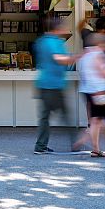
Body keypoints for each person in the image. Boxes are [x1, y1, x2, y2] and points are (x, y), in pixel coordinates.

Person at [73, 33, 105, 157]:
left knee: (96, 120)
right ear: (101, 44)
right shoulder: (98, 55)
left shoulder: (85, 55)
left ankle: (94, 146)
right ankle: (87, 141)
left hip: (88, 91)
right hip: (101, 91)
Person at [34, 18, 78, 154]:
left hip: (43, 83)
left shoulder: (41, 41)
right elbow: (59, 59)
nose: (65, 30)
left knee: (45, 117)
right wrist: (77, 57)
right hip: (54, 85)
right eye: (63, 27)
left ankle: (40, 146)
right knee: (66, 115)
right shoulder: (53, 42)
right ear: (56, 29)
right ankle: (75, 144)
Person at [79, 16, 105, 135]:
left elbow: (79, 26)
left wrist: (86, 18)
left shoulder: (88, 35)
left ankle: (91, 125)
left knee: (91, 102)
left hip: (89, 76)